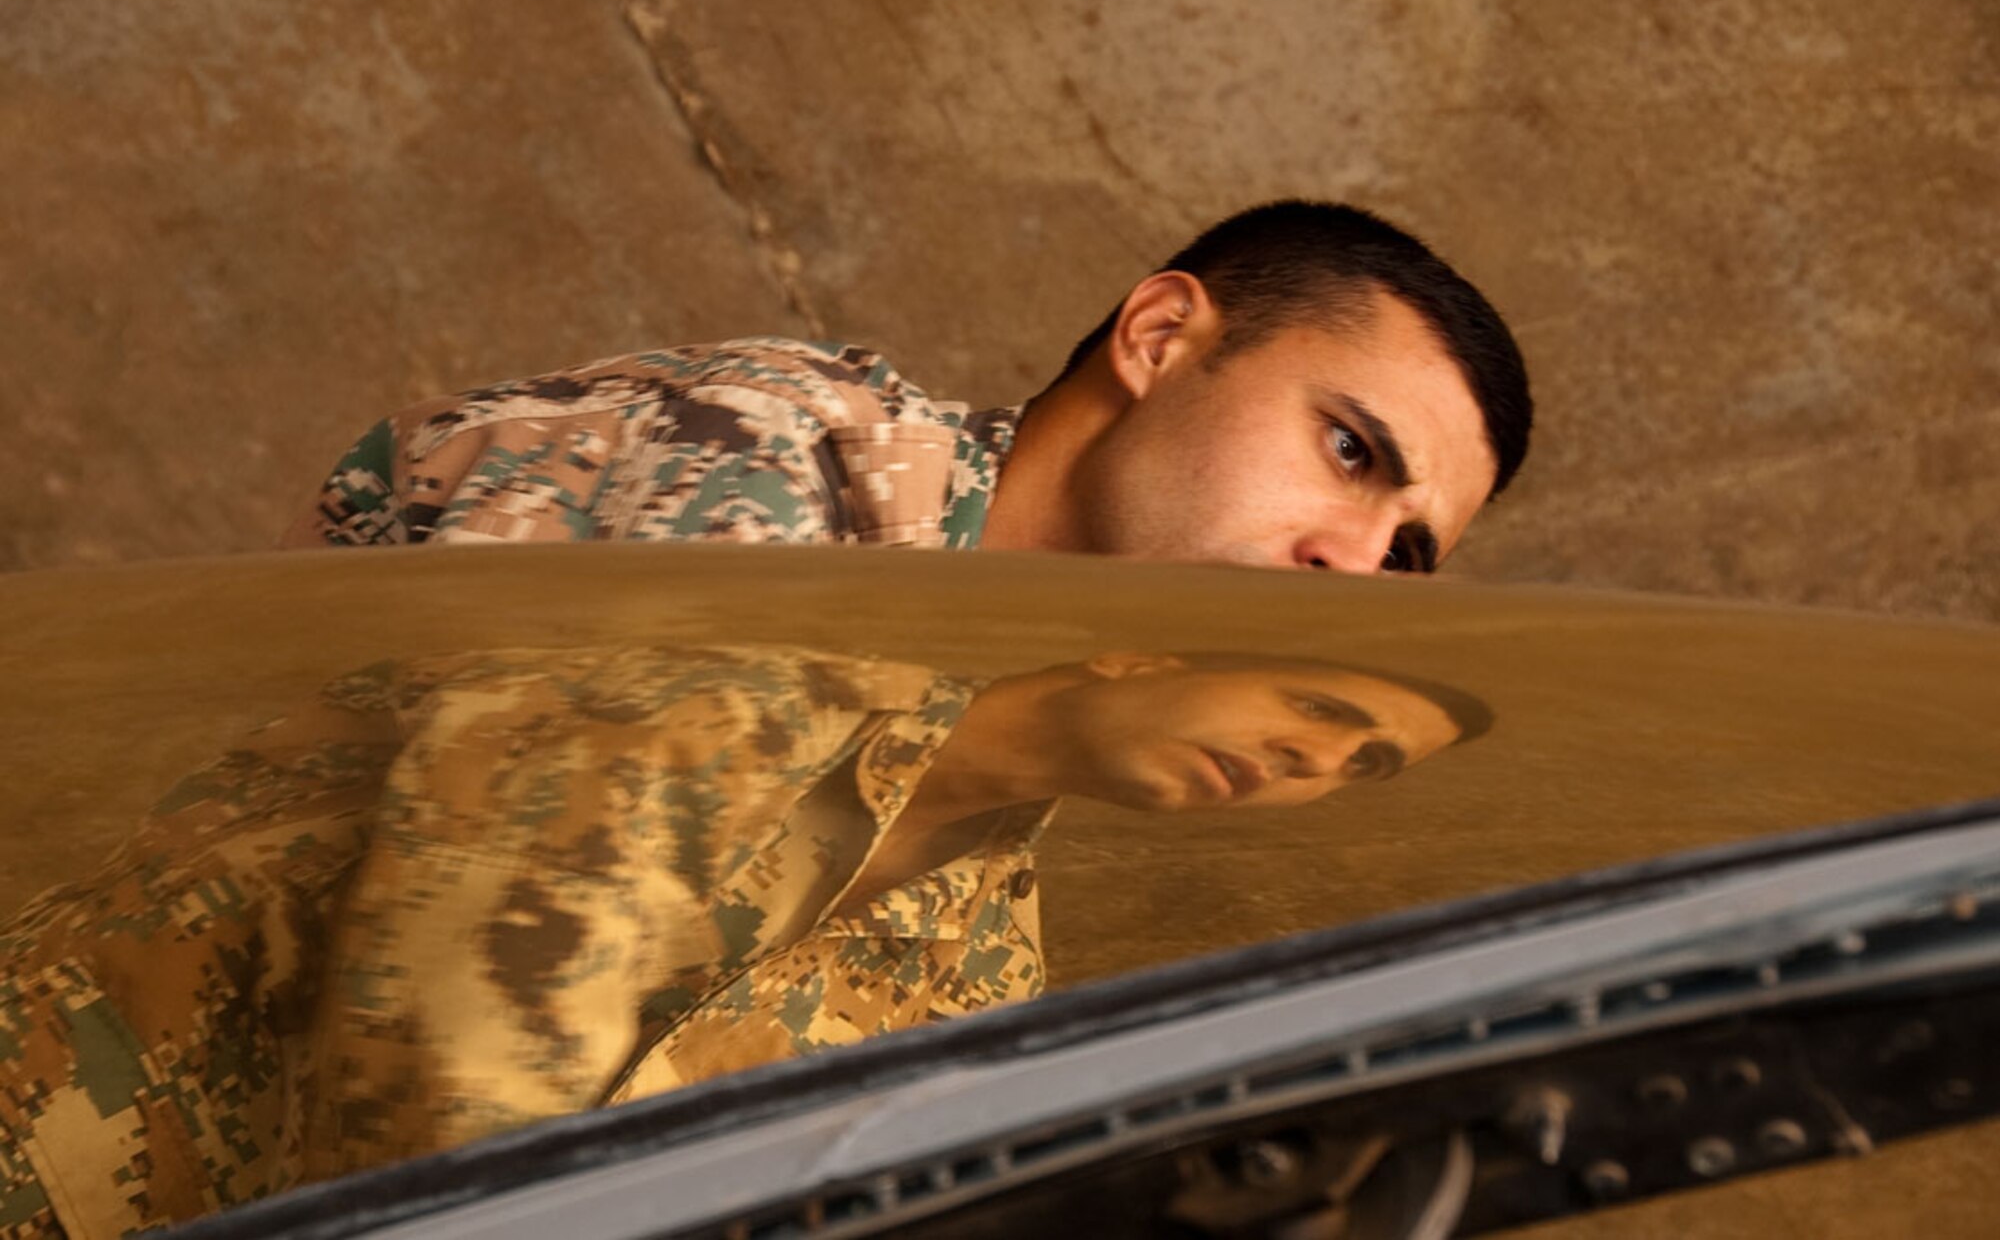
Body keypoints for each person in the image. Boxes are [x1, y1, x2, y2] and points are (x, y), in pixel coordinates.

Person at [0, 643, 1488, 1237]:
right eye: (1320, 711)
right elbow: (447, 1053)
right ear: (1142, 645)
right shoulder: (714, 671)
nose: (1310, 760)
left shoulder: (986, 983)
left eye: (1358, 766)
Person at [281, 201, 1532, 575]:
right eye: (1351, 452)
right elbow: (494, 988)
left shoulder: (994, 804)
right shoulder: (775, 460)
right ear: (1157, 339)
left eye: (1405, 558)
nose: (1352, 568)